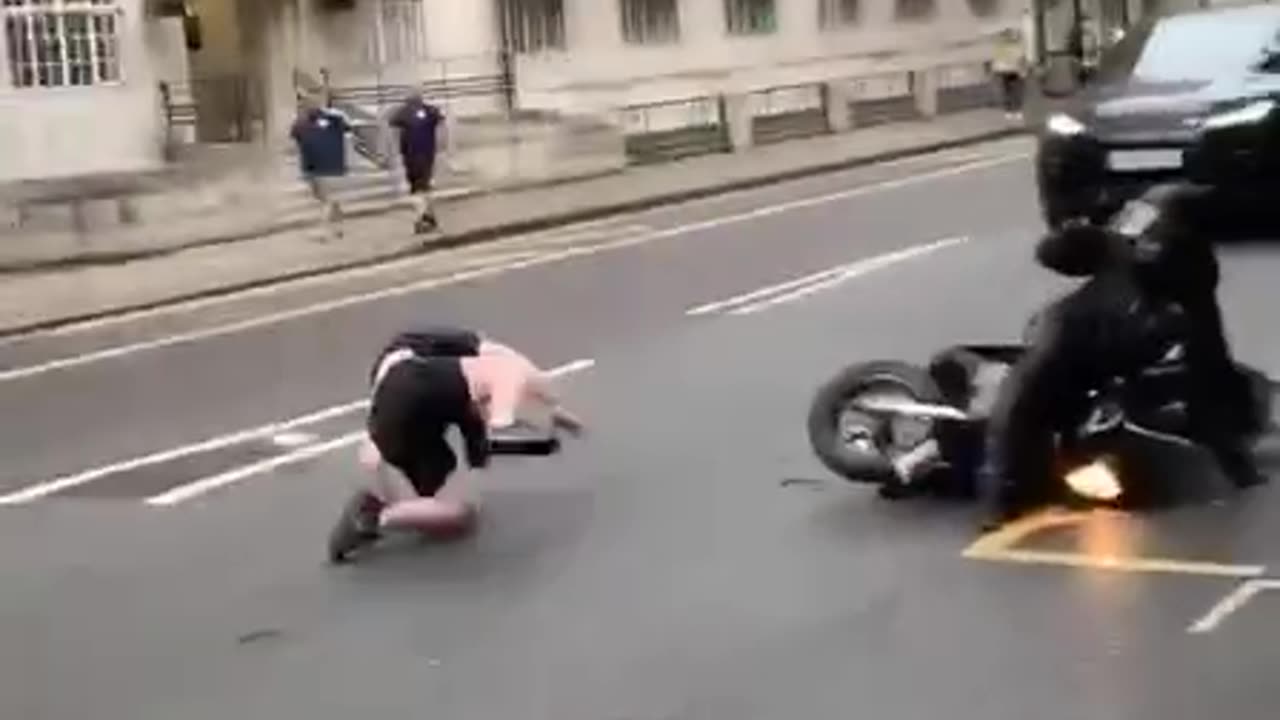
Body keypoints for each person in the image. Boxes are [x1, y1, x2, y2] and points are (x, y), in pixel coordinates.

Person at [978, 186, 1263, 530]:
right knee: (1026, 392)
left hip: (1130, 342)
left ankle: (1015, 487)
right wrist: (1074, 236)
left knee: (1200, 372)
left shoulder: (1189, 284)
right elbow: (1065, 253)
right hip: (1082, 334)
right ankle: (1002, 493)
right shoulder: (1139, 232)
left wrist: (1236, 464)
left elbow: (1209, 366)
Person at [328, 329, 584, 563]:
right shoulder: (482, 364)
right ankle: (381, 513)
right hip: (409, 390)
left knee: (449, 509)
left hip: (409, 410)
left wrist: (555, 416)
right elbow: (511, 392)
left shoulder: (465, 392)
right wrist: (510, 419)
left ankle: (378, 505)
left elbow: (485, 438)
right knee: (460, 511)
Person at [290, 94, 353, 241]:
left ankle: (323, 232)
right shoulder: (335, 119)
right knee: (332, 200)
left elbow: (295, 141)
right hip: (335, 166)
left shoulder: (300, 123)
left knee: (326, 201)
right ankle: (339, 229)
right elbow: (348, 129)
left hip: (315, 168)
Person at [388, 89, 445, 235]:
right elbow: (442, 125)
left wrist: (394, 154)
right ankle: (428, 218)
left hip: (411, 157)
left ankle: (424, 219)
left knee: (417, 188)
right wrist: (444, 149)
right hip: (427, 156)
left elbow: (391, 124)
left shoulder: (403, 112)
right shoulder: (431, 111)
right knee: (424, 187)